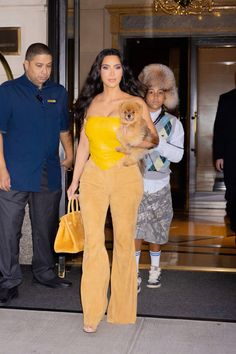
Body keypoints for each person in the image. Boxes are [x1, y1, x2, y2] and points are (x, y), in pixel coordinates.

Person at [67, 48, 158, 333]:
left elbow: (152, 139)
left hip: (125, 176)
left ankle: (121, 310)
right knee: (93, 245)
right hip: (93, 177)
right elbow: (83, 145)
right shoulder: (91, 103)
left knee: (122, 242)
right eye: (106, 68)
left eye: (116, 67)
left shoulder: (135, 102)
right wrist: (74, 181)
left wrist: (131, 141)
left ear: (122, 71)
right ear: (99, 71)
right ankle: (92, 313)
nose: (111, 73)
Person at [0, 43, 73, 306]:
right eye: (39, 66)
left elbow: (63, 128)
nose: (44, 71)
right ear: (26, 65)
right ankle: (8, 280)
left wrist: (70, 152)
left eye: (49, 66)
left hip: (48, 171)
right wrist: (1, 170)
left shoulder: (59, 92)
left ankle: (44, 272)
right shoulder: (8, 92)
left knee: (46, 226)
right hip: (14, 173)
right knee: (9, 230)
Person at [135, 64, 184, 292]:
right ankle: (133, 271)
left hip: (161, 184)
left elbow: (178, 155)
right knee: (134, 229)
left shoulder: (174, 123)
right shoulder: (133, 117)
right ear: (144, 92)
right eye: (151, 91)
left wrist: (157, 142)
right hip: (135, 183)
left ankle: (154, 268)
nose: (155, 96)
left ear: (167, 94)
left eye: (160, 92)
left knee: (157, 229)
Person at [213, 87, 236, 234]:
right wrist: (219, 155)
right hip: (231, 153)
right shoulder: (227, 98)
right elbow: (219, 128)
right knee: (233, 190)